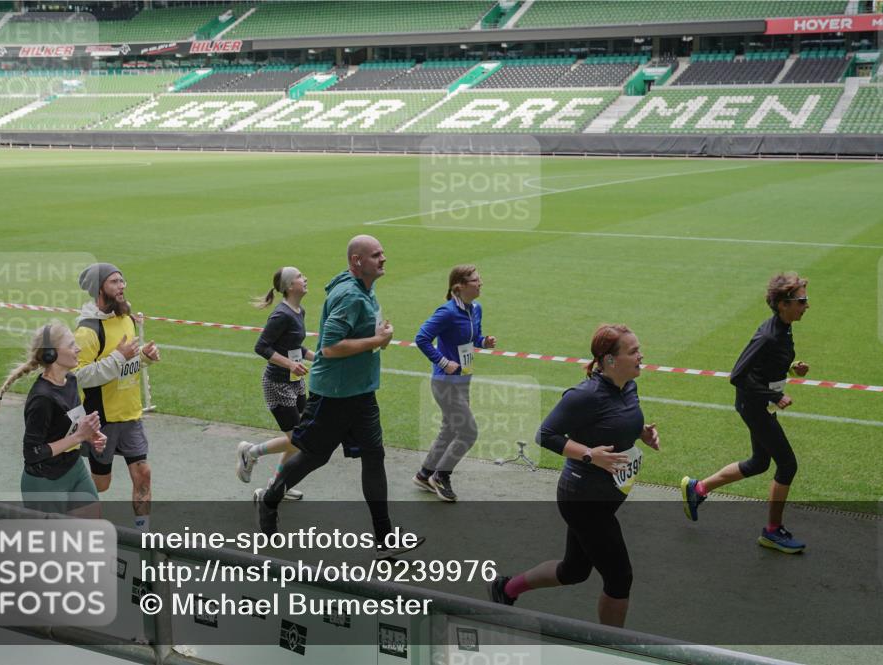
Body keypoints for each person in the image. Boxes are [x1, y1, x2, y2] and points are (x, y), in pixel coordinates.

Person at [257, 235, 424, 559]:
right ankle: (270, 499)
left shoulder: (365, 289)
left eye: (382, 253)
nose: (383, 258)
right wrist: (377, 340)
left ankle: (385, 539)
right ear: (357, 261)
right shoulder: (349, 295)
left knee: (374, 456)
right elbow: (331, 347)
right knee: (314, 456)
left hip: (361, 392)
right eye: (376, 255)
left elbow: (363, 337)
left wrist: (381, 336)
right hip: (333, 394)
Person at [487, 324, 660, 627]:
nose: (640, 356)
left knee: (574, 570)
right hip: (583, 499)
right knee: (620, 577)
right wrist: (591, 454)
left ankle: (506, 588)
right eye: (633, 351)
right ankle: (610, 645)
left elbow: (615, 422)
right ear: (610, 360)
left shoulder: (628, 386)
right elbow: (546, 435)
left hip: (606, 497)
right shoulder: (585, 396)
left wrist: (640, 432)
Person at [681, 272, 811, 554]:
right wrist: (775, 396)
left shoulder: (784, 328)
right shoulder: (768, 335)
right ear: (783, 304)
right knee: (787, 464)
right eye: (802, 301)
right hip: (754, 406)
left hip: (760, 404)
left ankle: (698, 489)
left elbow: (766, 366)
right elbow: (738, 375)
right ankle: (772, 532)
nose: (807, 305)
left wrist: (792, 368)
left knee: (759, 462)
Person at [74, 263, 161, 530]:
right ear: (99, 288)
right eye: (114, 281)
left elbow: (126, 366)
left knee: (143, 473)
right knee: (101, 484)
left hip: (131, 415)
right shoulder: (87, 331)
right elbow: (79, 376)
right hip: (103, 420)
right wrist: (118, 357)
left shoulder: (126, 319)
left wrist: (144, 358)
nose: (121, 286)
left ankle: (143, 535)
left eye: (122, 280)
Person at [0, 323, 107, 514]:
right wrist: (79, 436)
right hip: (45, 481)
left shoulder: (70, 380)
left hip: (74, 467)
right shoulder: (42, 398)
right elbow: (32, 453)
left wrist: (89, 434)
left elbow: (71, 422)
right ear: (51, 354)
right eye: (71, 345)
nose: (78, 349)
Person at [412, 264, 496, 502]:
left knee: (450, 429)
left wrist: (484, 341)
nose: (480, 283)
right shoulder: (447, 312)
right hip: (445, 383)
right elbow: (421, 338)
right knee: (468, 432)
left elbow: (473, 337)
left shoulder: (475, 308)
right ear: (459, 287)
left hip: (463, 379)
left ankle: (424, 474)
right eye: (476, 280)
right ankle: (441, 476)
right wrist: (442, 361)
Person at [237, 266, 315, 502]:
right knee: (298, 439)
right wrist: (290, 365)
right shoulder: (281, 315)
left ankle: (278, 484)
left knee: (301, 437)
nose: (305, 278)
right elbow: (261, 347)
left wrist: (318, 357)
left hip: (295, 382)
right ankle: (251, 452)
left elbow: (294, 346)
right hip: (277, 385)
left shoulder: (299, 311)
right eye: (300, 276)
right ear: (290, 286)